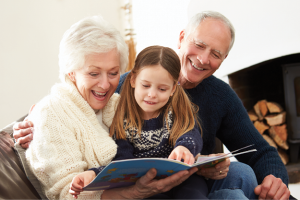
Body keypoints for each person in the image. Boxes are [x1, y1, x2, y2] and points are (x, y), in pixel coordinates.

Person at [14, 11, 292, 200]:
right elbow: (77, 96)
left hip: (192, 180)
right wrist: (33, 118)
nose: (204, 59)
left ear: (224, 59)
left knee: (242, 173)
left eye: (216, 54)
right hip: (145, 186)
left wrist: (277, 181)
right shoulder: (126, 87)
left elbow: (259, 149)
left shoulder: (220, 96)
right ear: (182, 38)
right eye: (199, 45)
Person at [20, 16, 197, 200]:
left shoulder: (118, 103)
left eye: (113, 73)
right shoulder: (51, 114)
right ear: (71, 72)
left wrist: (192, 160)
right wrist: (133, 193)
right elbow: (68, 195)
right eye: (94, 73)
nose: (105, 85)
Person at [70, 45, 208, 199]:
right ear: (134, 80)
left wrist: (184, 147)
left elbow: (191, 134)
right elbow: (122, 163)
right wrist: (94, 173)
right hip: (150, 186)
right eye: (146, 85)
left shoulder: (176, 110)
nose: (152, 94)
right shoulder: (124, 119)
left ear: (173, 89)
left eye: (162, 89)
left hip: (185, 180)